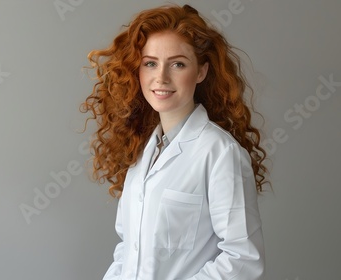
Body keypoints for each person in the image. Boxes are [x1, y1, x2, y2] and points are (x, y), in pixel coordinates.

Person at [80, 4, 269, 280]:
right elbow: (129, 247)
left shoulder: (220, 153)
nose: (161, 78)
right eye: (150, 63)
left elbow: (243, 260)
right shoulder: (142, 151)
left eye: (178, 64)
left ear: (201, 72)